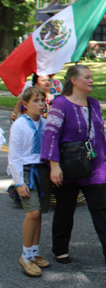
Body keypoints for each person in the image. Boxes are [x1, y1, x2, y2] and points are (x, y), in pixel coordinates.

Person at [41, 65, 106, 266]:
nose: (91, 80)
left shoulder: (94, 104)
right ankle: (60, 249)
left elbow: (100, 133)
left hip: (94, 165)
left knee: (100, 207)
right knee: (65, 209)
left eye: (91, 77)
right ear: (74, 80)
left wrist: (105, 159)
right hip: (68, 166)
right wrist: (54, 165)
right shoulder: (60, 104)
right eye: (87, 77)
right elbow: (51, 134)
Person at [8, 87, 52, 277]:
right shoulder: (19, 125)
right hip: (26, 170)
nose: (41, 104)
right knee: (32, 212)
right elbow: (14, 155)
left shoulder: (45, 123)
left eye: (43, 100)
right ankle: (25, 256)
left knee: (39, 213)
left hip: (42, 169)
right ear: (25, 105)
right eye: (36, 100)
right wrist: (19, 182)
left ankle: (34, 252)